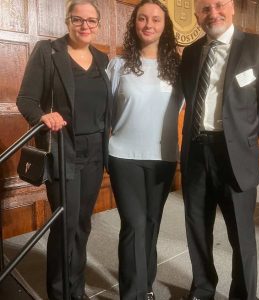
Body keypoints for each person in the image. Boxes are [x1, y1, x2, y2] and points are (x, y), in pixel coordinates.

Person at [180, 0, 259, 299]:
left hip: (234, 154)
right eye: (205, 8)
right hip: (197, 152)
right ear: (197, 14)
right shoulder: (190, 52)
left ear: (233, 7)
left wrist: (244, 137)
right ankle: (202, 289)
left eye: (219, 4)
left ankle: (244, 295)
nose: (213, 13)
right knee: (197, 228)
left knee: (241, 235)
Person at [16, 0, 112, 299]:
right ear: (67, 21)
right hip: (64, 149)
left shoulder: (102, 58)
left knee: (82, 223)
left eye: (91, 21)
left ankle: (77, 289)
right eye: (78, 19)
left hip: (96, 151)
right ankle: (59, 294)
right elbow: (27, 99)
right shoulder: (48, 51)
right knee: (65, 223)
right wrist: (42, 116)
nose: (85, 26)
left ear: (98, 24)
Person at [106, 0, 182, 299]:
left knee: (152, 222)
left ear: (165, 26)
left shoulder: (178, 67)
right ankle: (132, 293)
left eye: (155, 19)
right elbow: (109, 112)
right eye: (142, 19)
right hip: (124, 156)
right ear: (134, 24)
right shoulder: (118, 65)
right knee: (134, 224)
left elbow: (182, 108)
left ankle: (146, 285)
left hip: (163, 158)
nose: (148, 24)